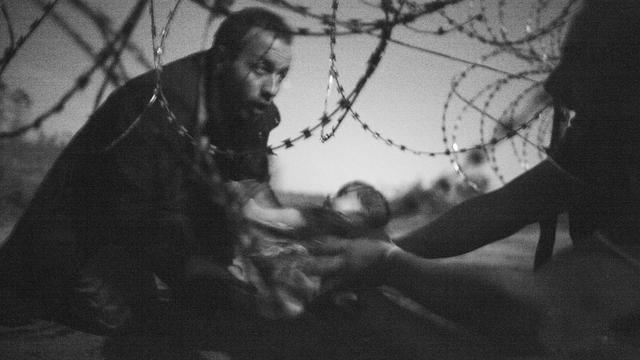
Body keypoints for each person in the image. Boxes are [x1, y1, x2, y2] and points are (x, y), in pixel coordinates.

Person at [310, 0, 640, 357]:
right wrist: (359, 259)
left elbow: (560, 310)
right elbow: (508, 206)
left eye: (581, 59)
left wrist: (386, 265)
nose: (554, 84)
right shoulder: (607, 132)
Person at [0, 7, 294, 333]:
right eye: (261, 69)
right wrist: (211, 274)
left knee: (229, 306)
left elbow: (247, 193)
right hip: (82, 247)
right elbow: (135, 216)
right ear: (223, 58)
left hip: (149, 242)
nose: (272, 88)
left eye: (281, 74)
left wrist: (268, 264)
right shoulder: (156, 105)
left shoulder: (253, 112)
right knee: (145, 324)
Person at [226, 179, 391, 318]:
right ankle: (290, 301)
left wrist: (258, 212)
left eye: (344, 195)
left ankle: (277, 298)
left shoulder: (324, 216)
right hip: (310, 272)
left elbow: (291, 217)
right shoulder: (351, 234)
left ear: (357, 215)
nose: (335, 194)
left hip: (289, 259)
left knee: (276, 266)